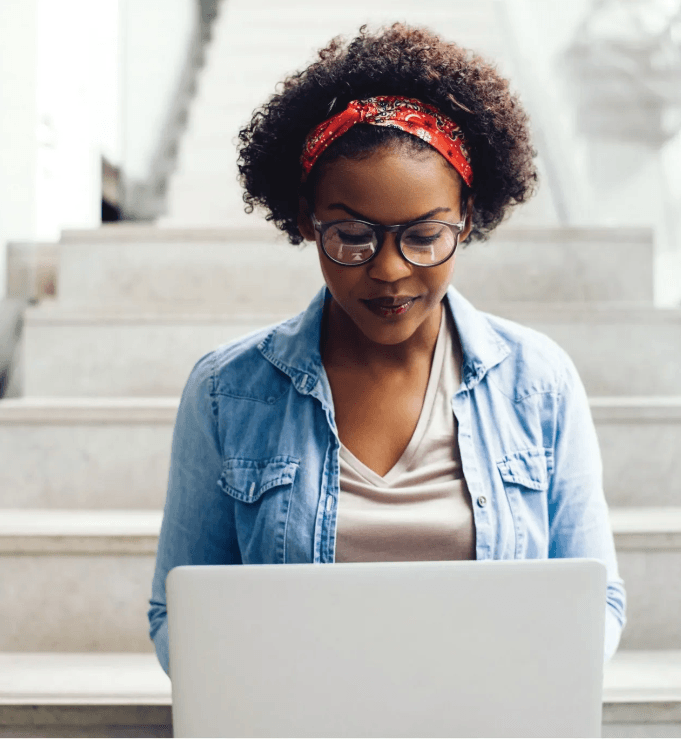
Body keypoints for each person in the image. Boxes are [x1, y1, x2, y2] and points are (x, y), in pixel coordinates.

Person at [148, 23, 626, 676]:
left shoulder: (537, 381)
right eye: (351, 234)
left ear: (467, 218)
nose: (390, 271)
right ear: (306, 220)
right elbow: (178, 613)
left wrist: (529, 686)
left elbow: (597, 598)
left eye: (425, 236)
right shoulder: (227, 391)